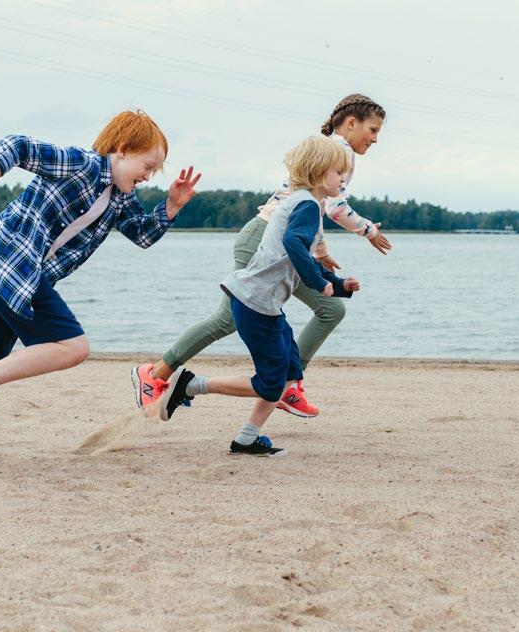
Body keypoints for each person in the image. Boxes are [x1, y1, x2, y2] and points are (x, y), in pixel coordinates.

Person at [0, 110, 200, 472]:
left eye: (154, 171)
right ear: (122, 149)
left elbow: (143, 235)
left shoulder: (120, 198)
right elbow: (16, 146)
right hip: (11, 263)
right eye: (147, 165)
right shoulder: (81, 164)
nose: (148, 176)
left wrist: (173, 206)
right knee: (73, 347)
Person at [132, 93, 389, 417]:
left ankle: (289, 385)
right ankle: (154, 375)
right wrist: (369, 231)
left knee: (331, 309)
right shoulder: (341, 152)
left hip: (284, 245)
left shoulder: (327, 150)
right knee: (227, 320)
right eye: (373, 129)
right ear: (351, 123)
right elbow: (335, 207)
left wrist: (320, 252)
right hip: (264, 240)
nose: (376, 139)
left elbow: (314, 206)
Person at [157, 134, 360, 456]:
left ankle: (247, 438)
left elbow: (302, 254)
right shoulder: (306, 205)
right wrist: (324, 287)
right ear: (320, 172)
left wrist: (336, 282)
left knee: (289, 373)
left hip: (261, 304)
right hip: (256, 305)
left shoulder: (303, 202)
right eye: (339, 173)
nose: (344, 179)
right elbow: (295, 247)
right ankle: (190, 384)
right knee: (271, 383)